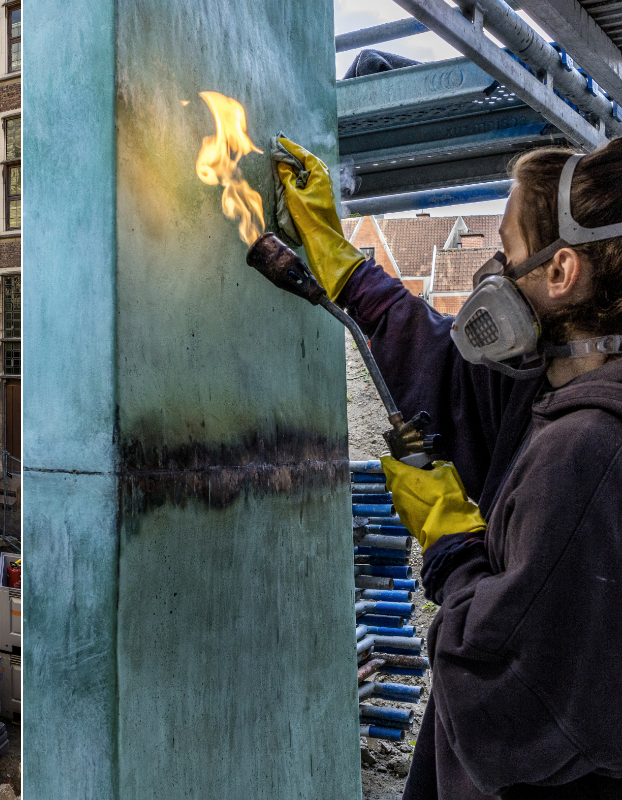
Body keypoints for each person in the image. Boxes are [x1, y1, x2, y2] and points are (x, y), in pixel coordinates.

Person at [270, 136, 622, 799]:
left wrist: (449, 542)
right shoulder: (553, 386)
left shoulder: (590, 453)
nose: (495, 272)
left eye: (510, 252)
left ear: (561, 273)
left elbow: (498, 688)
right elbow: (447, 368)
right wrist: (340, 262)